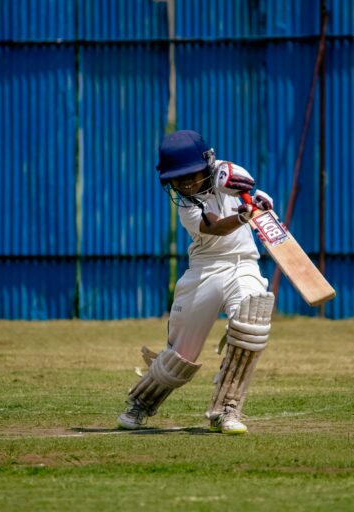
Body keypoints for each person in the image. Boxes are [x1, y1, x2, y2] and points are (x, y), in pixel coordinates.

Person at [117, 129, 275, 435]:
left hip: (244, 263)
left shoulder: (228, 172)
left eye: (191, 174)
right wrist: (244, 217)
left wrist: (256, 201)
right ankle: (141, 403)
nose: (186, 183)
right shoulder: (188, 208)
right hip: (205, 269)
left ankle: (226, 409)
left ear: (208, 164)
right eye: (177, 179)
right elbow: (216, 228)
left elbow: (242, 182)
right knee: (181, 354)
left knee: (252, 321)